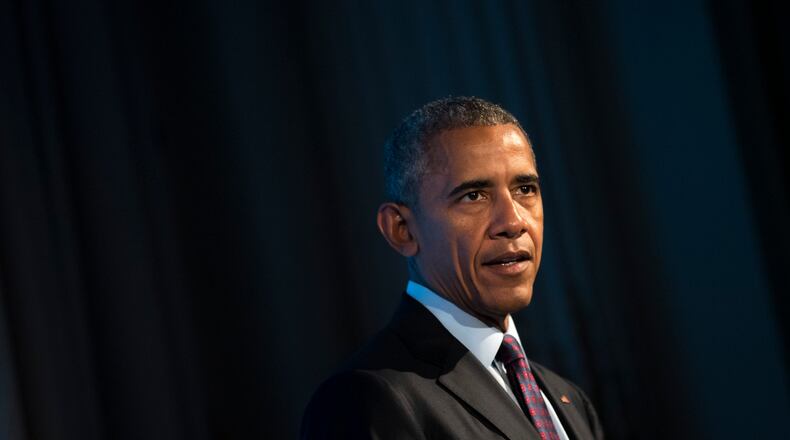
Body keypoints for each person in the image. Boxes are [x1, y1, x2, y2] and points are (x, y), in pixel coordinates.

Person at [301, 97, 604, 439]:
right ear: (401, 229)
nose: (513, 222)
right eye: (474, 195)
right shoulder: (366, 398)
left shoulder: (571, 402)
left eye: (525, 189)